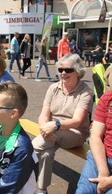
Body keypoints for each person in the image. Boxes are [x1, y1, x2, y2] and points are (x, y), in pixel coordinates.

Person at [32, 53, 94, 194]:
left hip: (76, 133)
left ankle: (21, 157)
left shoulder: (85, 92)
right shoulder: (53, 88)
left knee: (38, 148)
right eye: (60, 70)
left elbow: (77, 121)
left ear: (78, 71)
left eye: (68, 70)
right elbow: (43, 115)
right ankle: (42, 189)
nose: (63, 73)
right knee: (47, 154)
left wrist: (55, 125)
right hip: (51, 131)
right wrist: (44, 127)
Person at [76, 88, 112, 194]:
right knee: (83, 191)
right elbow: (95, 136)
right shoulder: (108, 98)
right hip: (102, 156)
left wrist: (109, 181)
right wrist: (103, 171)